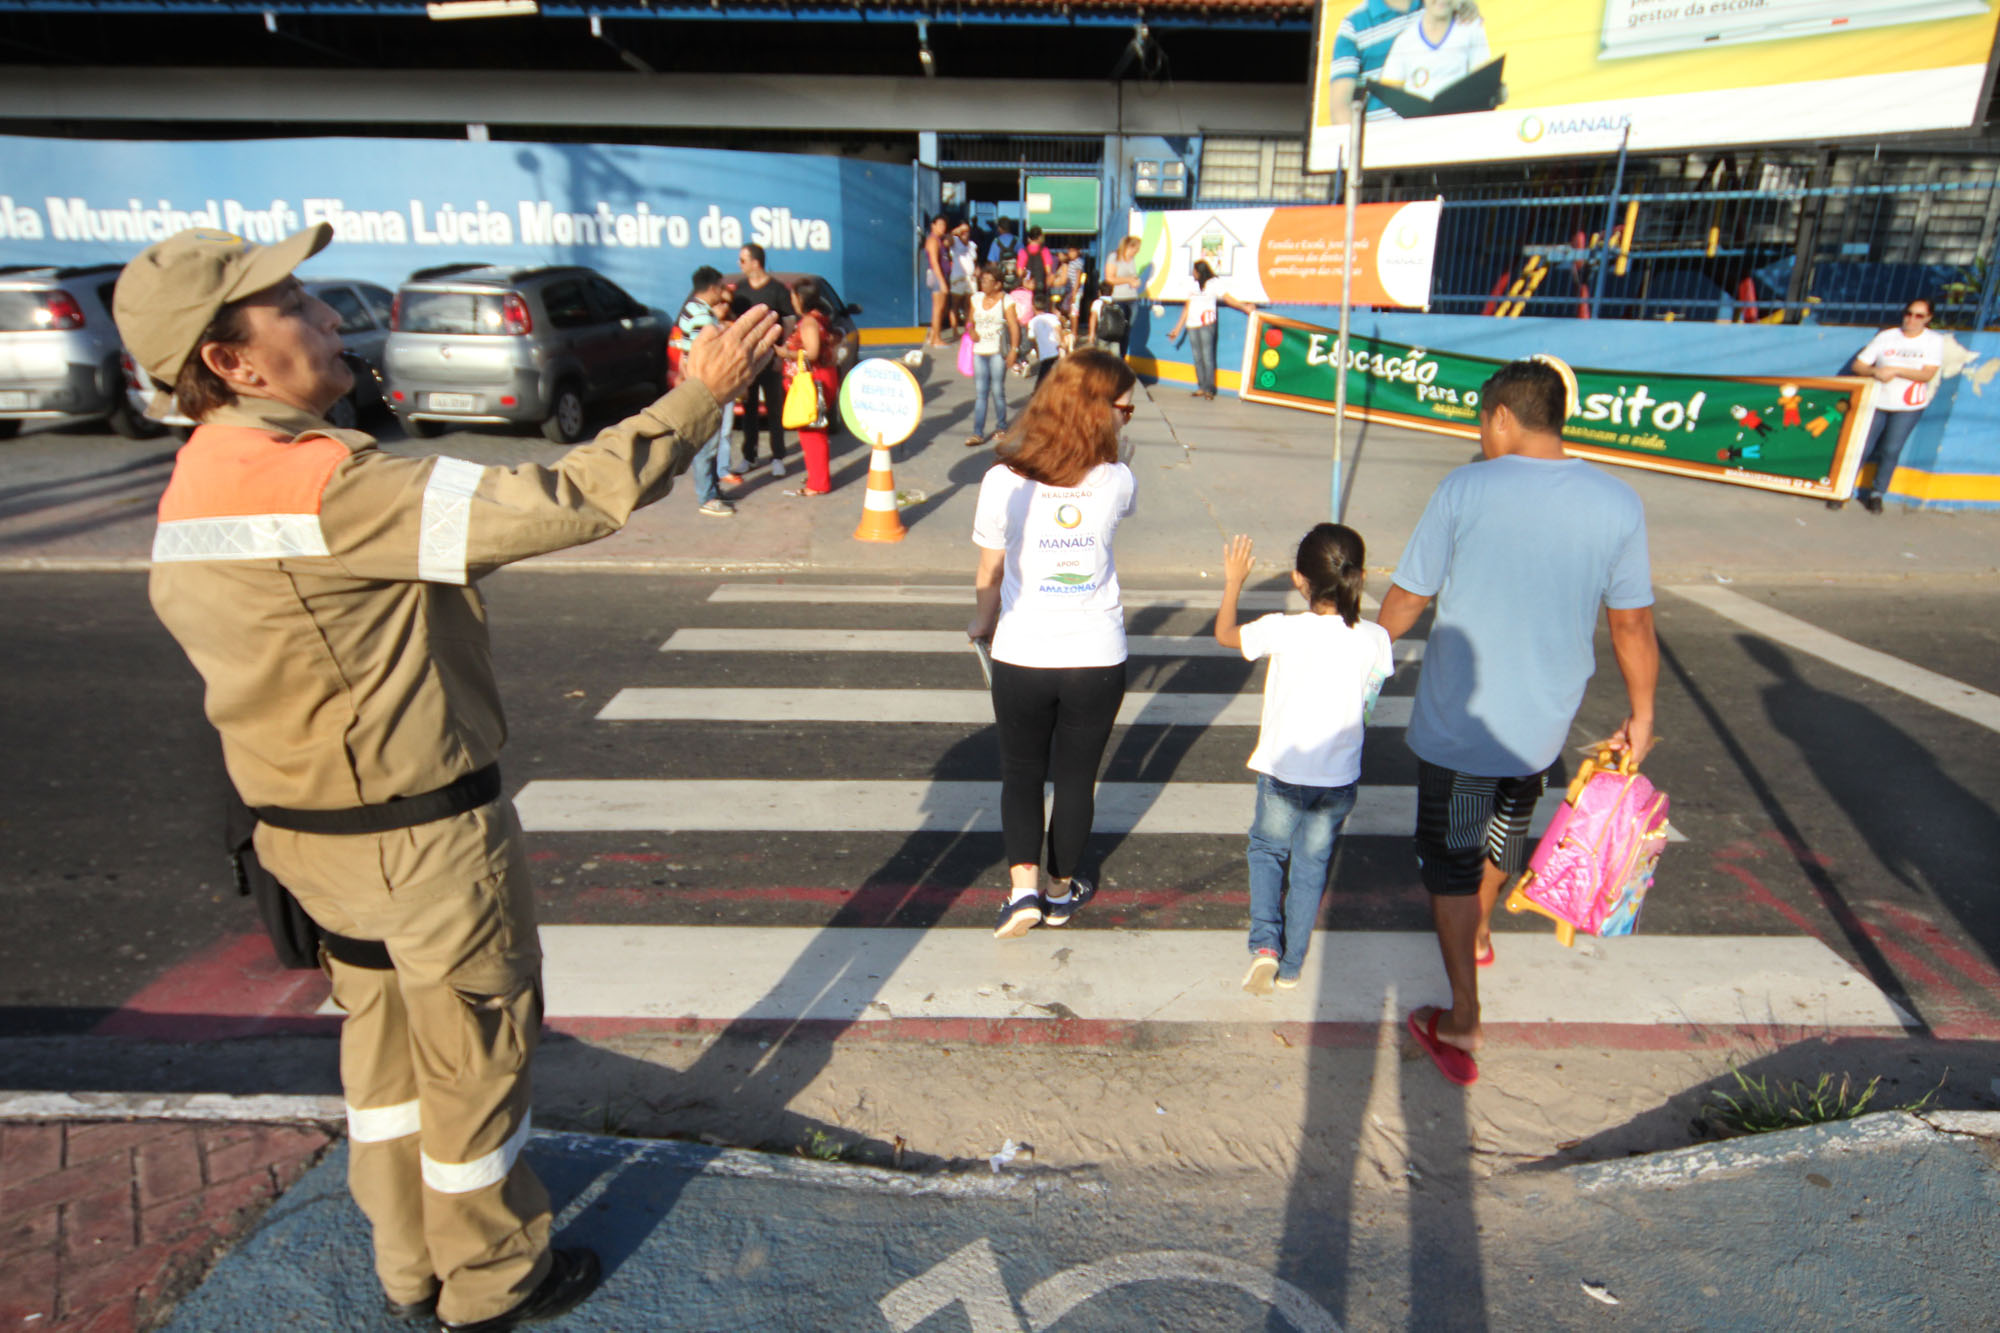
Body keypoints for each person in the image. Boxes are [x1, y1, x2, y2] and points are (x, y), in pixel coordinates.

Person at [113, 222, 781, 1333]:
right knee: (473, 1054)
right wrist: (695, 396)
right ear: (232, 361)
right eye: (297, 306)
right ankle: (490, 1281)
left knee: (380, 1059)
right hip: (416, 839)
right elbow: (565, 498)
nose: (333, 318)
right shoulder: (323, 483)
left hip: (304, 838)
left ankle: (405, 1258)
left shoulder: (195, 483)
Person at [1376, 355, 1655, 1087]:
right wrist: (1644, 714)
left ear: (1502, 416)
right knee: (1506, 829)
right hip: (1541, 730)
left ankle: (1463, 1013)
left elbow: (1409, 595)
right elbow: (1631, 624)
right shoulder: (1618, 501)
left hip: (1461, 728)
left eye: (1481, 419)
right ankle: (1485, 926)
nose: (1481, 432)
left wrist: (1368, 659)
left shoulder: (1464, 487)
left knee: (1451, 860)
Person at [967, 348, 1139, 939]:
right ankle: (1061, 891)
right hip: (1097, 656)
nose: (1128, 418)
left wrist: (980, 622)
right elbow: (1116, 490)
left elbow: (989, 574)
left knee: (1019, 774)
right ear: (1097, 412)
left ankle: (1021, 893)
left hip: (1022, 652)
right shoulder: (1117, 479)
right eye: (1124, 408)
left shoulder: (1000, 480)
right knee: (1074, 780)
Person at [1214, 526, 1392, 994]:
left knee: (1268, 851)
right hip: (1339, 777)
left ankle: (1265, 947)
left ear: (1299, 580)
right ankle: (1291, 965)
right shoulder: (1376, 638)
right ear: (1361, 576)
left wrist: (1234, 580)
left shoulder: (1282, 628)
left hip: (1282, 771)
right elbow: (1369, 702)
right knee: (1312, 863)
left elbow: (1225, 635)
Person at [1843, 297, 1943, 514]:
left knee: (1890, 449)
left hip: (1908, 405)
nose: (1911, 319)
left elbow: (1928, 373)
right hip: (1877, 400)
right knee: (1862, 447)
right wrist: (1874, 372)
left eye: (1919, 316)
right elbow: (1859, 365)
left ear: (1928, 318)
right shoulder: (1887, 337)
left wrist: (1897, 371)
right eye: (1908, 313)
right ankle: (1843, 489)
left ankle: (1877, 493)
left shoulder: (1933, 341)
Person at [1326, 0, 1479, 123]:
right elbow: (1340, 108)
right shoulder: (1354, 25)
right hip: (1384, 143)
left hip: (1444, 130)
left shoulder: (1441, 6)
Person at [675, 268, 738, 517]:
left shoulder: (690, 310)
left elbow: (685, 350)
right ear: (712, 288)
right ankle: (707, 497)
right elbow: (709, 352)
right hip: (707, 386)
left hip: (697, 383)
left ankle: (712, 489)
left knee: (709, 441)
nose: (722, 293)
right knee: (707, 444)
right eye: (721, 288)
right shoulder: (702, 317)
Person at [732, 242, 796, 479]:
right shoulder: (739, 290)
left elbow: (789, 320)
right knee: (748, 408)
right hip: (748, 358)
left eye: (742, 259)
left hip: (771, 358)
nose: (739, 264)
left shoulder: (777, 290)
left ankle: (778, 456)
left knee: (774, 407)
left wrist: (783, 349)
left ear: (755, 262)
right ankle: (749, 456)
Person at [1166, 260, 1258, 400]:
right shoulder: (1193, 284)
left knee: (1207, 356)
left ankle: (1210, 389)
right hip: (1192, 324)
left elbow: (1227, 298)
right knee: (1197, 357)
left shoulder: (1214, 283)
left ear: (1200, 271)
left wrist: (1244, 307)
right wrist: (1177, 329)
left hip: (1207, 323)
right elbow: (1187, 307)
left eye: (1195, 271)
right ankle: (1201, 387)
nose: (1193, 274)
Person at [782, 276, 839, 497]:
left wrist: (784, 353)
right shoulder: (821, 318)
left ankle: (818, 483)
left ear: (800, 299)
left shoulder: (809, 322)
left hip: (813, 381)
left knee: (811, 432)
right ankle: (817, 476)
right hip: (822, 377)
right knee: (814, 430)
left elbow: (812, 353)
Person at [1378, 0, 1490, 105]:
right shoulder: (1404, 41)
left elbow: (1482, 83)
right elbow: (1391, 92)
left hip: (1460, 120)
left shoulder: (1471, 29)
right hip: (1418, 122)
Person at [965, 263, 1020, 447]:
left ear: (997, 284)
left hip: (997, 352)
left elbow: (1014, 326)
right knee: (981, 393)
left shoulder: (1007, 300)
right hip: (979, 351)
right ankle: (977, 433)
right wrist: (971, 330)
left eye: (988, 281)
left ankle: (1001, 427)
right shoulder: (976, 298)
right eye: (982, 280)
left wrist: (1014, 350)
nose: (983, 284)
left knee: (997, 391)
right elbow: (970, 321)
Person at [1103, 236, 1143, 358]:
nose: (1137, 251)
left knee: (1127, 331)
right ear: (1128, 246)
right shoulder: (1114, 257)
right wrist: (1128, 280)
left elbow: (1133, 276)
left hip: (1132, 297)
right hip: (1119, 298)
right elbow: (1109, 278)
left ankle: (1122, 357)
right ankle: (1114, 357)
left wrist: (1136, 281)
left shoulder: (1132, 260)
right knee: (1118, 330)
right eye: (1135, 248)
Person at [1026, 294, 1065, 391]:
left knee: (1043, 375)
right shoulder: (1052, 317)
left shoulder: (1032, 322)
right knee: (1048, 373)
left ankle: (1037, 393)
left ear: (1033, 307)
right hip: (1055, 350)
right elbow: (1058, 329)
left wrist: (1037, 351)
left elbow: (1032, 338)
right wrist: (1061, 343)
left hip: (1044, 353)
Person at [923, 214, 951, 348]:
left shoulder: (939, 240)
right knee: (938, 309)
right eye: (939, 225)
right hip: (937, 276)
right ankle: (937, 339)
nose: (942, 228)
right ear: (933, 225)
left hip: (939, 275)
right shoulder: (933, 240)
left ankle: (932, 336)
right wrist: (943, 282)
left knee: (940, 308)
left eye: (944, 225)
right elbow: (934, 262)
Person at [948, 220, 980, 336]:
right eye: (963, 231)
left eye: (967, 231)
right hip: (958, 278)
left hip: (970, 279)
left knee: (970, 305)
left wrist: (977, 268)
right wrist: (954, 232)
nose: (965, 234)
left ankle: (968, 329)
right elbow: (946, 241)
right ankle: (955, 330)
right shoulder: (954, 242)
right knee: (955, 305)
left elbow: (975, 261)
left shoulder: (972, 245)